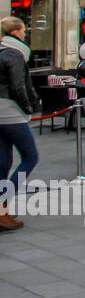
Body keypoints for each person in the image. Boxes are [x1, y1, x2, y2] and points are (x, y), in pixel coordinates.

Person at [0, 17, 40, 231]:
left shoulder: (1, 51)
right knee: (30, 157)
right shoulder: (15, 54)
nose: (25, 34)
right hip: (9, 112)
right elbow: (18, 86)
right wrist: (28, 107)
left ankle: (2, 211)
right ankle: (2, 203)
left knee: (3, 161)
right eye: (23, 31)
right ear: (15, 32)